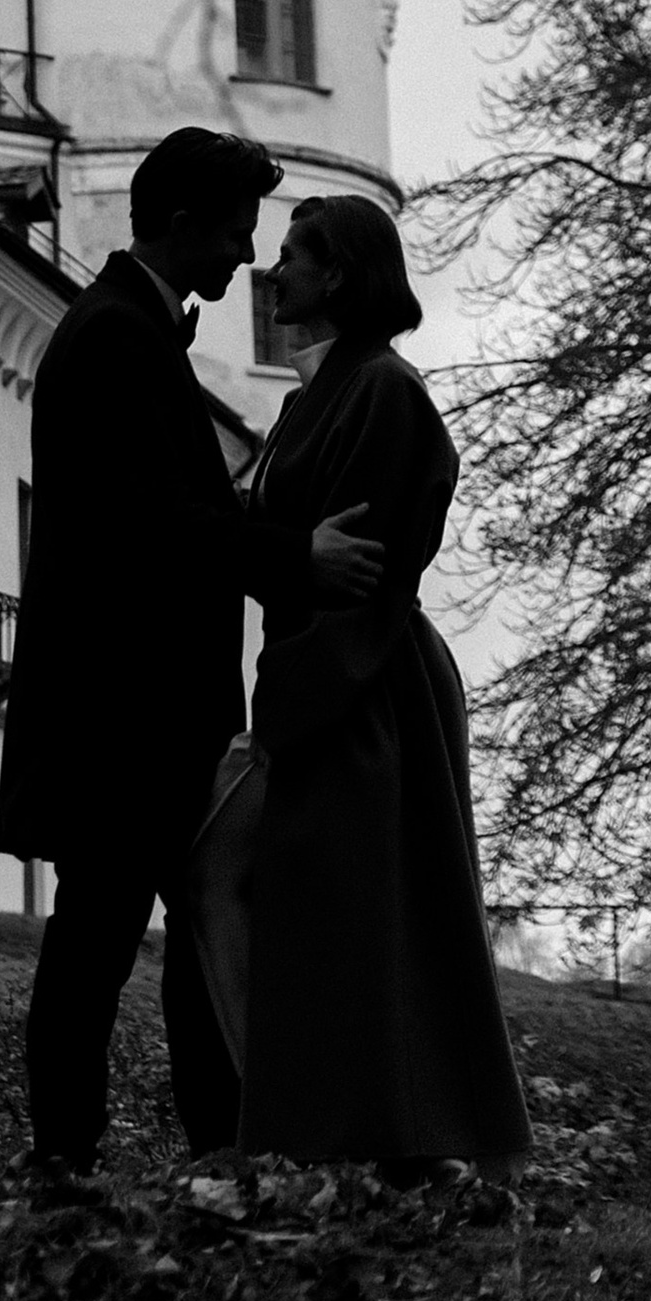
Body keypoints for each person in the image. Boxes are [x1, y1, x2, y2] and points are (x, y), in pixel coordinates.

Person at [0, 127, 383, 1177]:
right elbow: (156, 524)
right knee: (104, 936)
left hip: (132, 705)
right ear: (179, 224)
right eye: (231, 233)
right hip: (127, 709)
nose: (243, 260)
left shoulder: (123, 330)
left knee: (159, 927)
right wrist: (297, 555)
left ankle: (196, 1144)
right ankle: (83, 1161)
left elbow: (160, 513)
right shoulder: (121, 338)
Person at [226, 194, 532, 1172]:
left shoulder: (383, 393)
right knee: (316, 912)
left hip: (367, 684)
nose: (273, 275)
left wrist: (292, 700)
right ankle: (321, 1131)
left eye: (293, 258)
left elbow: (367, 571)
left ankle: (405, 1133)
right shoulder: (305, 402)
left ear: (341, 276)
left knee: (376, 909)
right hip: (321, 673)